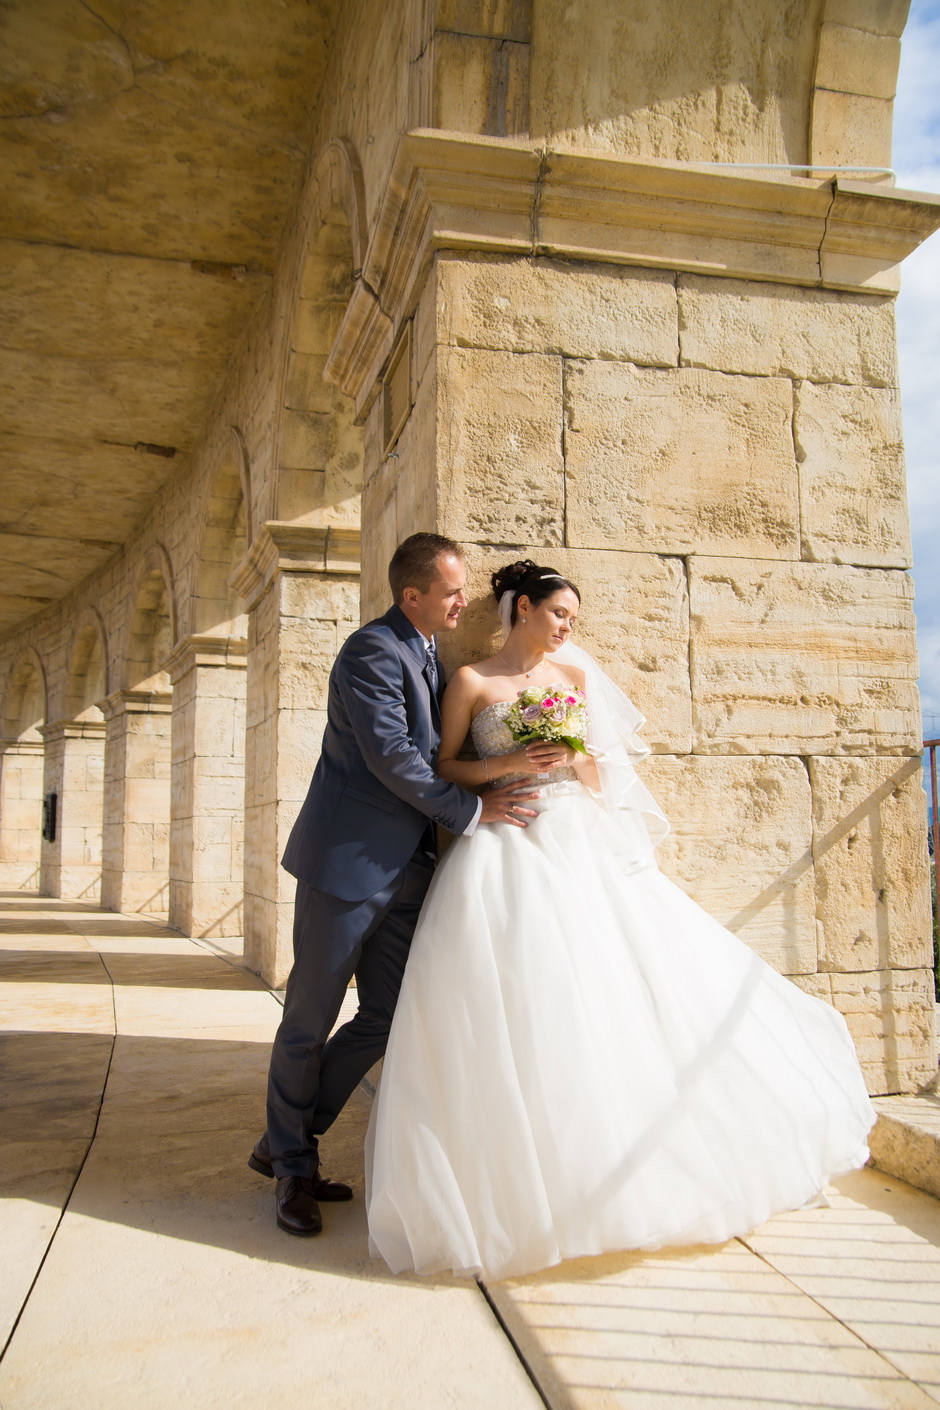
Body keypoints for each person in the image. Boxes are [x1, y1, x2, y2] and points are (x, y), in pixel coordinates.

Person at [364, 559, 876, 1281]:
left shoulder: (571, 681)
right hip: (508, 837)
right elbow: (444, 764)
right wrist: (503, 770)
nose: (569, 627)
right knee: (525, 991)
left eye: (573, 617)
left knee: (620, 981)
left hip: (578, 836)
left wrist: (574, 758)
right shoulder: (473, 682)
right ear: (521, 608)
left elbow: (599, 776)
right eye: (560, 613)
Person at [249, 535, 542, 1236]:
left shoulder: (432, 654)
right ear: (411, 595)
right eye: (449, 591)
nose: (461, 601)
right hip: (346, 867)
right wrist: (473, 812)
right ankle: (292, 1167)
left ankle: (284, 1140)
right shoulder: (371, 651)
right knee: (307, 1021)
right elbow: (395, 761)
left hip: (409, 870)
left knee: (386, 1017)